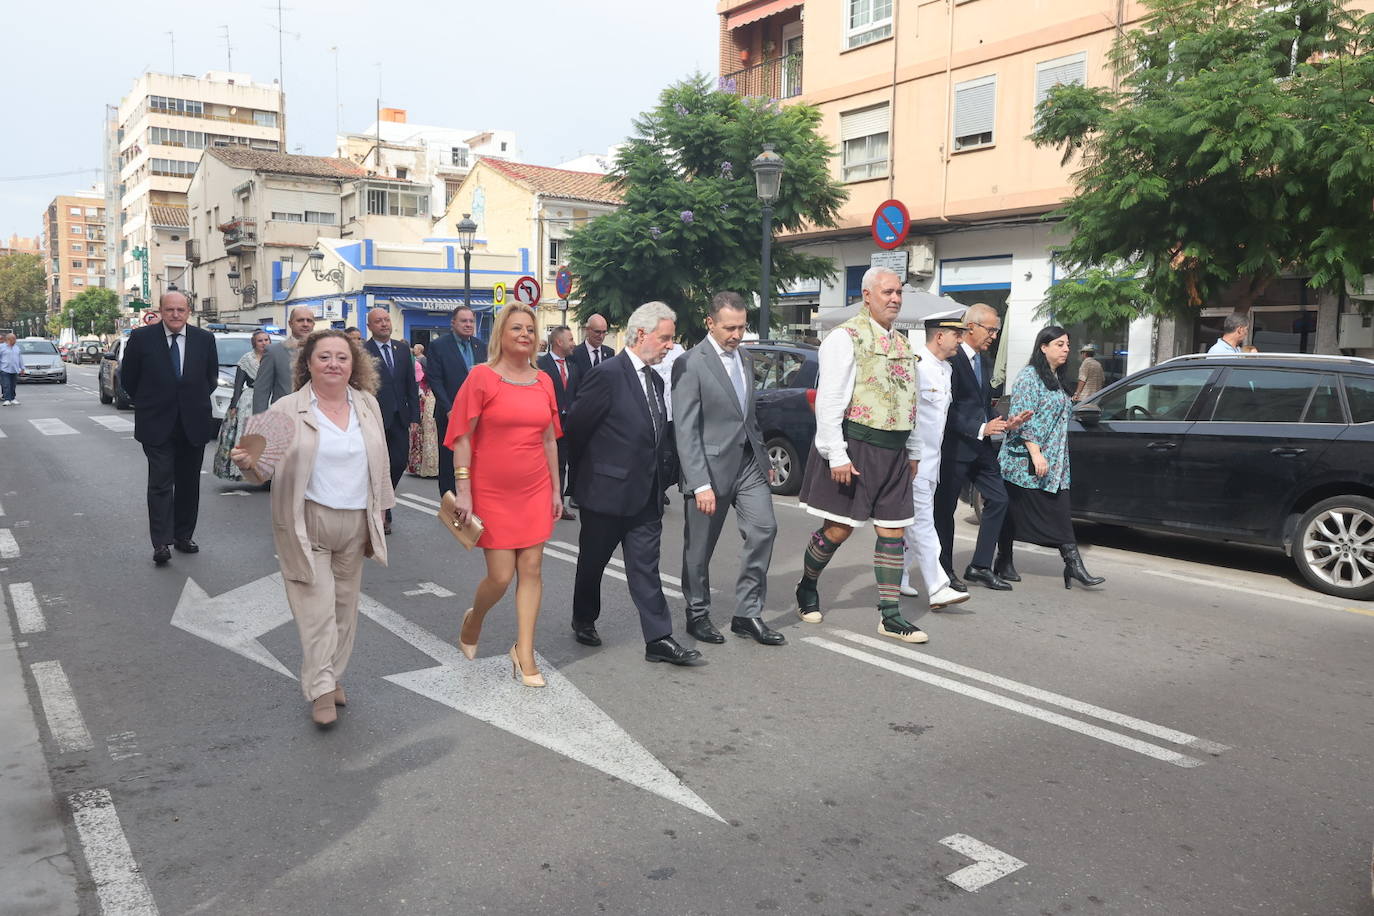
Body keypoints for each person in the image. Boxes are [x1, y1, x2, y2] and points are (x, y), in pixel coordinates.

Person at [231, 330, 393, 727]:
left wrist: (382, 512)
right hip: (309, 523)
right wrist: (246, 462)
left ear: (354, 364)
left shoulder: (367, 405)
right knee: (315, 611)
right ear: (308, 364)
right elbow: (260, 468)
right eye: (324, 357)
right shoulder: (287, 408)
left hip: (357, 522)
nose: (333, 364)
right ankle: (321, 689)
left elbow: (380, 460)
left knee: (344, 611)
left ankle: (333, 676)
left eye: (342, 357)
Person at [793, 268, 927, 644]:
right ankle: (807, 586)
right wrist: (835, 453)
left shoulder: (903, 345)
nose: (895, 298)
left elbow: (910, 401)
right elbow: (830, 400)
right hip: (856, 447)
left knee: (893, 531)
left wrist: (913, 449)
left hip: (895, 452)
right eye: (887, 292)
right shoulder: (844, 338)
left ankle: (890, 615)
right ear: (867, 296)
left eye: (899, 292)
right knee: (839, 529)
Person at [566, 301, 702, 666]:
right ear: (641, 334)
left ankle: (659, 637)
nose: (671, 346)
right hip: (605, 494)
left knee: (645, 567)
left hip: (645, 494)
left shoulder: (656, 378)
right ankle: (584, 617)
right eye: (666, 338)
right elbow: (576, 429)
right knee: (593, 563)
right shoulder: (608, 374)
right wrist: (581, 482)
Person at [445, 303, 563, 688]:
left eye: (530, 328)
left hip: (534, 488)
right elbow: (462, 436)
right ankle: (474, 618)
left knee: (531, 570)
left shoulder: (544, 380)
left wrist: (556, 489)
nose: (525, 335)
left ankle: (524, 652)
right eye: (517, 328)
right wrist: (464, 491)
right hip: (491, 491)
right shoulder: (482, 377)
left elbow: (549, 438)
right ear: (501, 334)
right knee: (500, 575)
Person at [672, 291, 783, 647]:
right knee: (699, 549)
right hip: (709, 468)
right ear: (710, 324)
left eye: (742, 327)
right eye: (729, 328)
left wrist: (764, 458)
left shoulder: (746, 358)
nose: (737, 335)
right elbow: (686, 429)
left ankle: (747, 613)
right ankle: (698, 613)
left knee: (764, 528)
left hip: (749, 464)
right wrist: (698, 482)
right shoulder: (690, 362)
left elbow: (749, 417)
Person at [1000, 326, 1104, 589]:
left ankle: (1069, 565)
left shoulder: (1057, 379)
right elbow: (1024, 418)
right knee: (1016, 512)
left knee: (1041, 510)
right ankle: (1069, 564)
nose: (1066, 349)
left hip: (1055, 460)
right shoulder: (1028, 377)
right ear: (1043, 347)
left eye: (1068, 344)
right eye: (1059, 344)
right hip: (1025, 460)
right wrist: (1036, 454)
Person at [933, 304, 1028, 592]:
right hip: (955, 447)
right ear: (971, 327)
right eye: (991, 329)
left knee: (999, 499)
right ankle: (944, 570)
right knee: (944, 511)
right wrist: (978, 428)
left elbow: (982, 404)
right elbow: (945, 408)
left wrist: (1002, 423)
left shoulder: (984, 362)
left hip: (982, 447)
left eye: (997, 330)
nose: (994, 336)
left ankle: (980, 566)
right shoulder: (951, 358)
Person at [119, 291, 219, 565]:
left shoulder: (204, 339)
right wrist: (151, 402)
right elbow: (128, 378)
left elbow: (210, 379)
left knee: (189, 483)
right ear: (161, 311)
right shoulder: (142, 339)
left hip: (193, 423)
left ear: (189, 312)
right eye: (170, 310)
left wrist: (189, 400)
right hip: (156, 423)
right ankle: (161, 542)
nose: (175, 315)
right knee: (161, 482)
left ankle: (183, 536)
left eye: (181, 310)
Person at [900, 312, 973, 611]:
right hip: (914, 461)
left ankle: (899, 576)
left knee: (910, 524)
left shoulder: (945, 369)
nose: (960, 339)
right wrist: (910, 455)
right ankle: (938, 586)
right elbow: (909, 416)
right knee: (924, 524)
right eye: (956, 334)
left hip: (933, 462)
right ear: (939, 336)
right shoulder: (917, 368)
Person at [363, 307, 419, 535]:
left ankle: (385, 500)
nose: (384, 324)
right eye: (378, 321)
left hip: (400, 417)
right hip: (375, 417)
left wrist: (415, 416)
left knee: (398, 463)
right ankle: (380, 510)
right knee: (375, 466)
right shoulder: (362, 352)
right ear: (370, 326)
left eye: (386, 320)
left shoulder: (402, 349)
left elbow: (410, 385)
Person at [427, 305, 486, 498]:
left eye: (471, 321)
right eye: (464, 321)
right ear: (453, 323)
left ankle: (471, 495)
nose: (468, 325)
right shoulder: (439, 346)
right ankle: (449, 499)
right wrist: (449, 409)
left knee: (474, 456)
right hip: (449, 412)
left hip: (476, 413)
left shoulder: (480, 346)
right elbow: (435, 380)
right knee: (449, 458)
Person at [212, 329, 271, 480]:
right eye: (260, 340)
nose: (264, 343)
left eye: (266, 340)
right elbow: (238, 385)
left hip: (271, 398)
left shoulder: (274, 358)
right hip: (249, 400)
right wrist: (233, 405)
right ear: (254, 344)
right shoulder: (246, 360)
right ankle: (245, 470)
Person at [537, 325, 580, 520]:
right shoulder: (541, 364)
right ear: (558, 342)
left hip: (568, 424)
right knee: (543, 465)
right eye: (570, 339)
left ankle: (558, 504)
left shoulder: (573, 365)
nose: (574, 343)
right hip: (546, 424)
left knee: (561, 464)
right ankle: (541, 503)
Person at [254, 306, 316, 413]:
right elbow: (261, 392)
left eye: (309, 321)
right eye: (300, 320)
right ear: (290, 323)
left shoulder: (322, 351)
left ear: (313, 325)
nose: (305, 324)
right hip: (285, 416)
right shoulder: (274, 352)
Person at [408, 353, 439, 478]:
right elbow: (421, 385)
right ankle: (430, 466)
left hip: (431, 401)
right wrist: (423, 395)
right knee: (429, 434)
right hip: (429, 402)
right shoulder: (428, 374)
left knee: (432, 434)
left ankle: (433, 466)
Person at [0, 332, 23, 405]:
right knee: (6, 385)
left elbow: (20, 358)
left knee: (13, 385)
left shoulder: (17, 347)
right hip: (4, 369)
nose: (15, 340)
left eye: (15, 339)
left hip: (14, 369)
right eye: (14, 339)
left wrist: (22, 368)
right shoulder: (1, 347)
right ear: (8, 339)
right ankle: (7, 399)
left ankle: (13, 398)